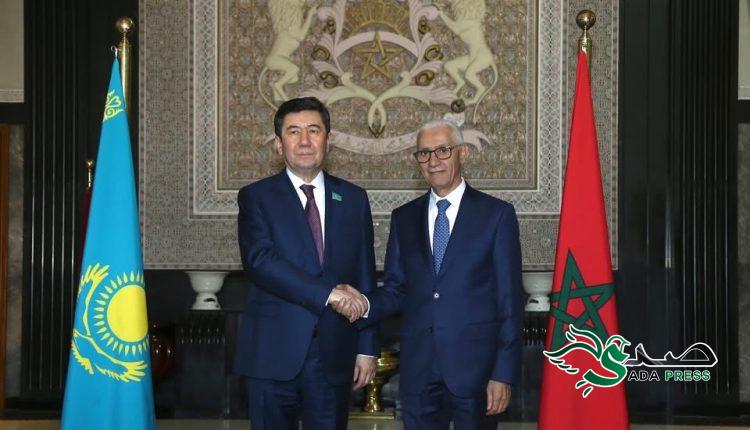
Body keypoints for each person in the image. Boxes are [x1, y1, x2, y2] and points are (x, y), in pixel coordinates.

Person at [336, 119, 524, 429]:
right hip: (419, 371)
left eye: (442, 150)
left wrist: (502, 373)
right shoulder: (404, 217)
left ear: (462, 153)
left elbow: (510, 300)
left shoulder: (496, 215)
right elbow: (396, 289)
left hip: (476, 372)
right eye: (424, 153)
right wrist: (364, 303)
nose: (433, 161)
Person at [234, 97, 376, 430]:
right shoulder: (256, 197)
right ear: (278, 144)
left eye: (314, 130)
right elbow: (260, 262)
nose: (304, 141)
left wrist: (367, 348)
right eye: (293, 131)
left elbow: (364, 274)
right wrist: (328, 293)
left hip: (334, 356)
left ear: (328, 139)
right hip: (272, 354)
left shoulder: (354, 198)